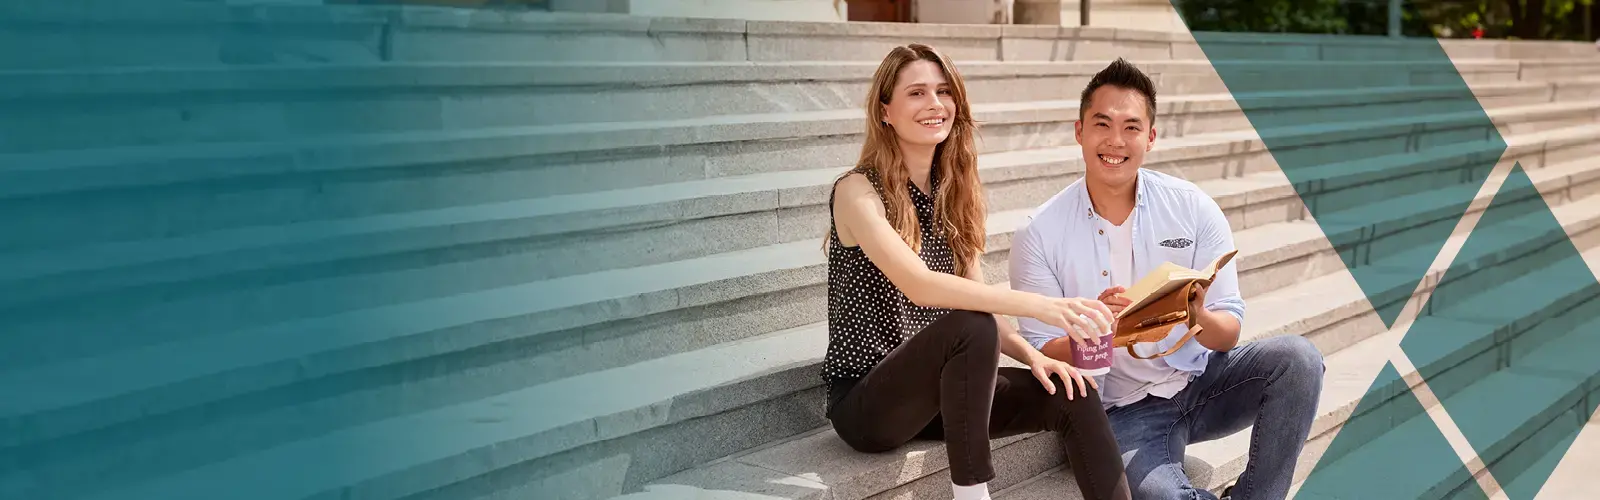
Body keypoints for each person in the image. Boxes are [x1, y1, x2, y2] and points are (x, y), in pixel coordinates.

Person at [821, 43, 1133, 500]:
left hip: (942, 393)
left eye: (944, 92)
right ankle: (972, 495)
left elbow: (979, 302)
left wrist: (1034, 355)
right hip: (869, 404)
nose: (934, 104)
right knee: (970, 321)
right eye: (917, 93)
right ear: (885, 111)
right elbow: (922, 286)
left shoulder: (952, 194)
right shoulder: (856, 191)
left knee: (1075, 390)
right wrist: (1043, 307)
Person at [1008, 58, 1326, 500]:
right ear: (1079, 131)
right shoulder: (1039, 233)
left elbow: (1229, 330)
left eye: (1132, 127)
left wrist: (1196, 315)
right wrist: (1104, 332)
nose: (1115, 141)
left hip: (1202, 382)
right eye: (1102, 124)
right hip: (1122, 409)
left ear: (1151, 138)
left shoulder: (1192, 207)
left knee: (1299, 359)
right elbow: (1043, 350)